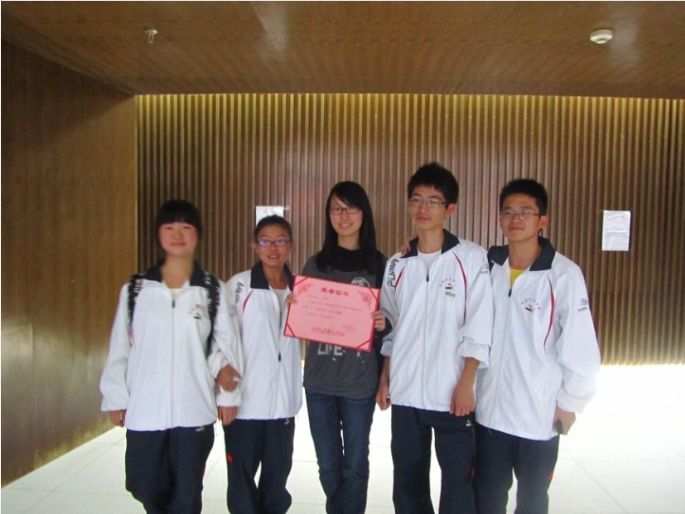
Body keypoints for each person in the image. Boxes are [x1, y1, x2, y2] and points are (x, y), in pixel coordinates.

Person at [100, 199, 242, 514]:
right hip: (146, 411)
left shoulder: (212, 289)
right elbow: (120, 348)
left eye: (186, 227)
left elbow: (225, 347)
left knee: (187, 498)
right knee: (145, 488)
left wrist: (229, 395)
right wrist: (114, 397)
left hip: (194, 412)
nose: (178, 234)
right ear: (158, 234)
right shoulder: (136, 290)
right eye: (169, 227)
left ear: (197, 234)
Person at [474, 178, 601, 514]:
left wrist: (571, 403)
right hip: (489, 413)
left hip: (537, 417)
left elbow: (581, 346)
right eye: (508, 212)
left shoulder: (563, 275)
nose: (516, 219)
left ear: (543, 220)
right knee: (486, 499)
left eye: (526, 212)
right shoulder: (487, 266)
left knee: (532, 502)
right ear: (499, 219)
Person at [377, 162, 493, 514]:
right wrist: (386, 376)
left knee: (458, 485)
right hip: (407, 391)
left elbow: (479, 324)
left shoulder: (471, 259)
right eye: (416, 199)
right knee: (407, 483)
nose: (423, 208)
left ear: (450, 209)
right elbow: (391, 325)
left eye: (433, 201)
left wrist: (467, 383)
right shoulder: (397, 263)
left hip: (451, 392)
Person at [301, 181, 388, 514]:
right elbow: (303, 320)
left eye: (351, 208)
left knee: (354, 464)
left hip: (359, 383)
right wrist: (297, 308)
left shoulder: (379, 265)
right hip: (319, 381)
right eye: (336, 208)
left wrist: (383, 322)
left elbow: (393, 323)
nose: (344, 215)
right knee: (327, 465)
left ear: (364, 214)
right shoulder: (315, 265)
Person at [221, 215, 302, 514]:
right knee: (241, 484)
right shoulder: (238, 287)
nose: (273, 248)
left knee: (276, 484)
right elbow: (221, 343)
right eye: (265, 241)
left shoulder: (302, 290)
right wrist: (226, 396)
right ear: (254, 246)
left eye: (280, 241)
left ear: (290, 246)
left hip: (283, 407)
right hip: (245, 406)